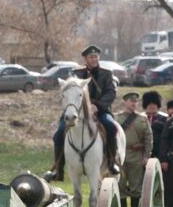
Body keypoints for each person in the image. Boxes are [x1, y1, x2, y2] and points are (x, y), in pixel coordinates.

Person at [46, 45, 119, 181]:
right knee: (59, 133)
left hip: (100, 111)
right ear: (85, 59)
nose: (94, 59)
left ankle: (111, 162)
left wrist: (97, 106)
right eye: (91, 57)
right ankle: (58, 170)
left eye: (96, 57)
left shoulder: (107, 74)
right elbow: (68, 92)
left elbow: (111, 93)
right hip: (76, 111)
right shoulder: (76, 74)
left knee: (111, 127)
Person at [116, 92, 153, 207]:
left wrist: (146, 155)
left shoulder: (142, 119)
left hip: (136, 155)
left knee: (136, 185)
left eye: (135, 101)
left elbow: (148, 138)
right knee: (120, 184)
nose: (133, 103)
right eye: (131, 101)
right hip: (120, 155)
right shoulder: (117, 118)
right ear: (124, 102)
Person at [142, 91, 167, 158]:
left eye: (154, 104)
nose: (152, 106)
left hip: (159, 153)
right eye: (149, 104)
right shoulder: (139, 118)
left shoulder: (166, 119)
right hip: (141, 153)